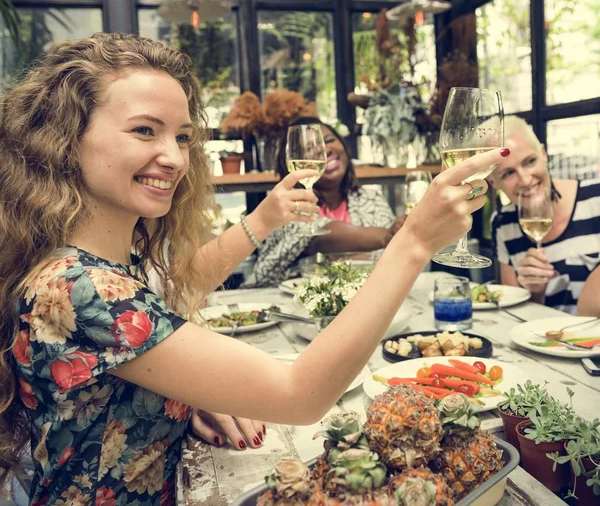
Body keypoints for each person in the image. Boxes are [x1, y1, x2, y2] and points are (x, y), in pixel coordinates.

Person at [0, 33, 504, 506]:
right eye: (144, 130)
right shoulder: (77, 286)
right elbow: (300, 395)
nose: (174, 158)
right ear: (66, 139)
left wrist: (175, 395)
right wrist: (413, 242)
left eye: (183, 136)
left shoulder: (98, 259)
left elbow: (175, 293)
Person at [243, 116, 407, 288]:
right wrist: (385, 236)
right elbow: (317, 239)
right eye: (309, 148)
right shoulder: (286, 205)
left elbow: (393, 256)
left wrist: (334, 260)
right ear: (290, 161)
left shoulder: (371, 199)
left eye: (328, 140)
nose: (324, 150)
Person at [489, 116, 600, 314]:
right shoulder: (502, 223)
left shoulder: (595, 199)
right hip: (543, 341)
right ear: (494, 182)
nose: (525, 180)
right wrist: (534, 292)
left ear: (544, 153)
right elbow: (516, 316)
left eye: (529, 162)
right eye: (508, 174)